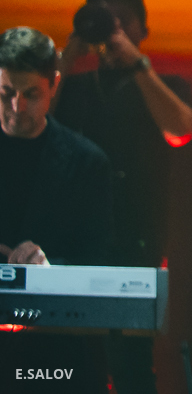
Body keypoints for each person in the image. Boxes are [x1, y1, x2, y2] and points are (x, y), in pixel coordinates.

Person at [52, 0, 192, 394]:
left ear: (142, 30)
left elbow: (181, 129)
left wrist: (137, 65)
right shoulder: (74, 87)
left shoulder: (163, 86)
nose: (112, 30)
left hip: (136, 240)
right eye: (104, 20)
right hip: (79, 241)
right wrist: (70, 53)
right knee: (73, 364)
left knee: (132, 365)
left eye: (122, 22)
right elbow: (29, 120)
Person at [0, 26, 115, 393]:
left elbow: (98, 260)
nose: (17, 108)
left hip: (53, 356)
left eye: (31, 94)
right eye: (5, 94)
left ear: (54, 85)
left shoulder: (87, 163)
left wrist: (50, 269)